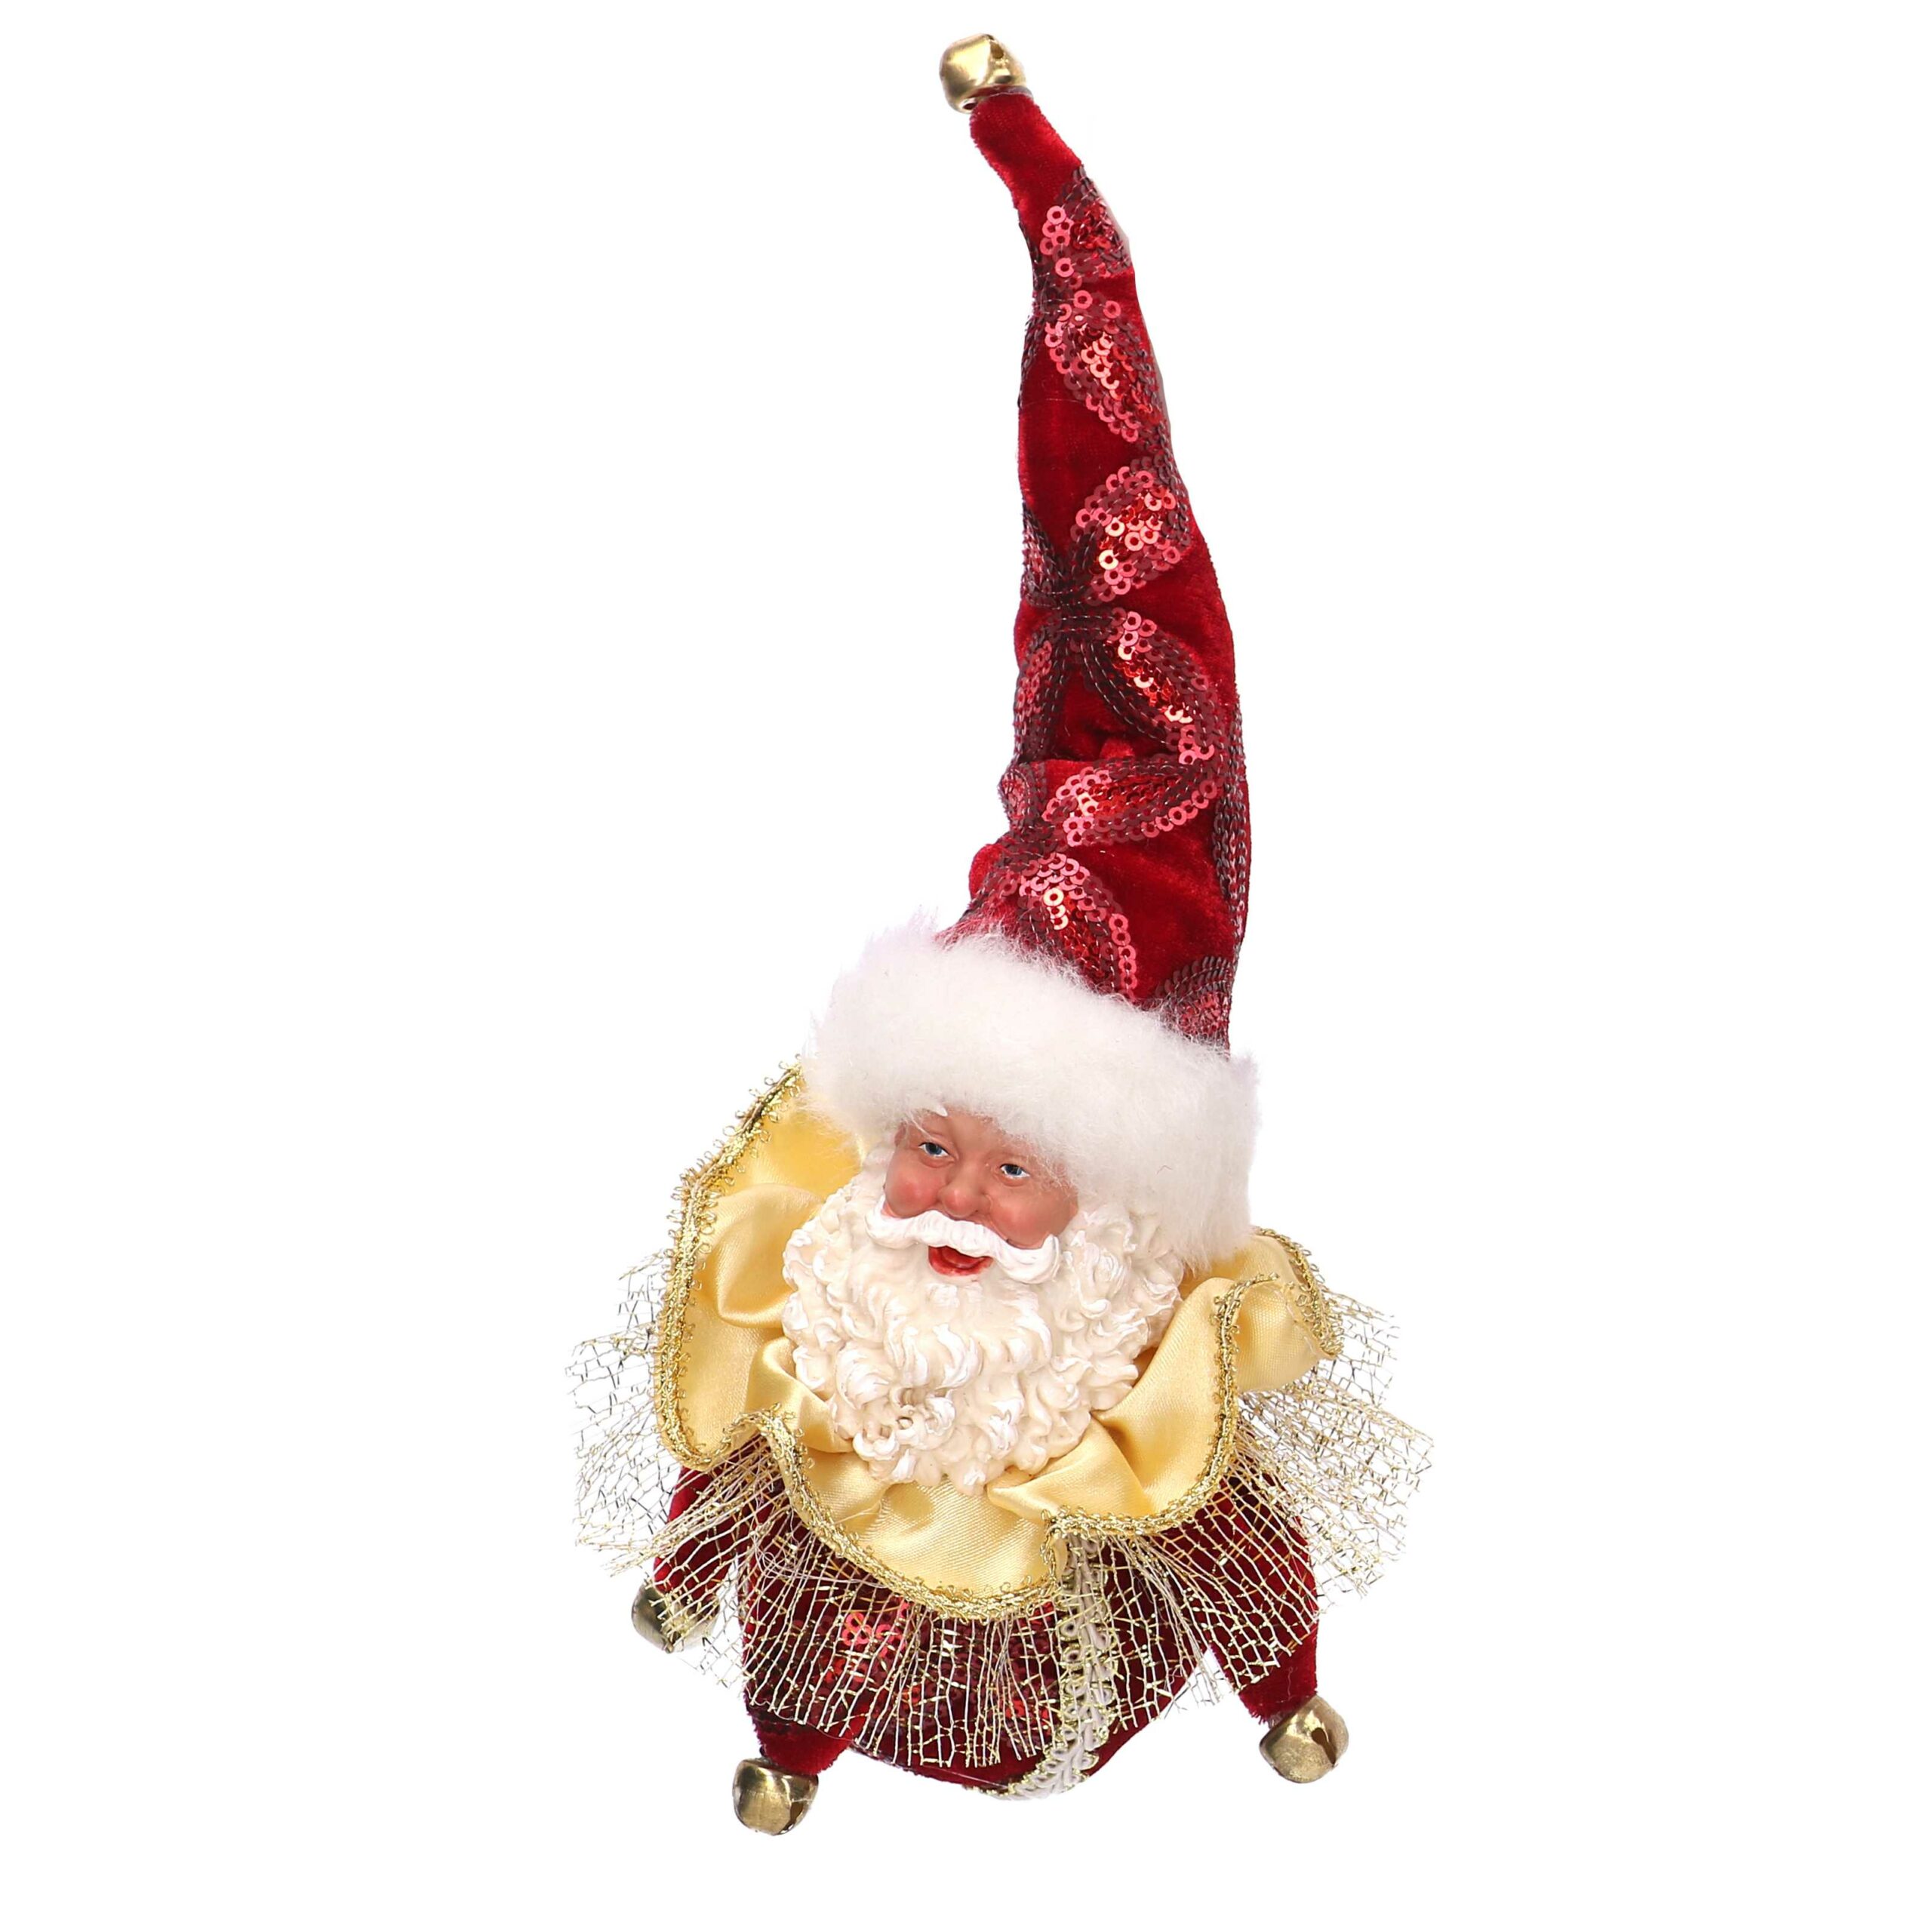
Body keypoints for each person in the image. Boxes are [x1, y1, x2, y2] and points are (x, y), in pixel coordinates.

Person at [575, 35, 1425, 1834]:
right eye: (934, 1144)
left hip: (1082, 1669)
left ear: (1104, 1197)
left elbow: (1244, 1555)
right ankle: (791, 1747)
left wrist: (1286, 1688)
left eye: (1010, 1165)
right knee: (811, 1612)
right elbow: (743, 1464)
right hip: (840, 1630)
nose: (949, 1196)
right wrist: (683, 1568)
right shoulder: (830, 1302)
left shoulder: (1138, 1370)